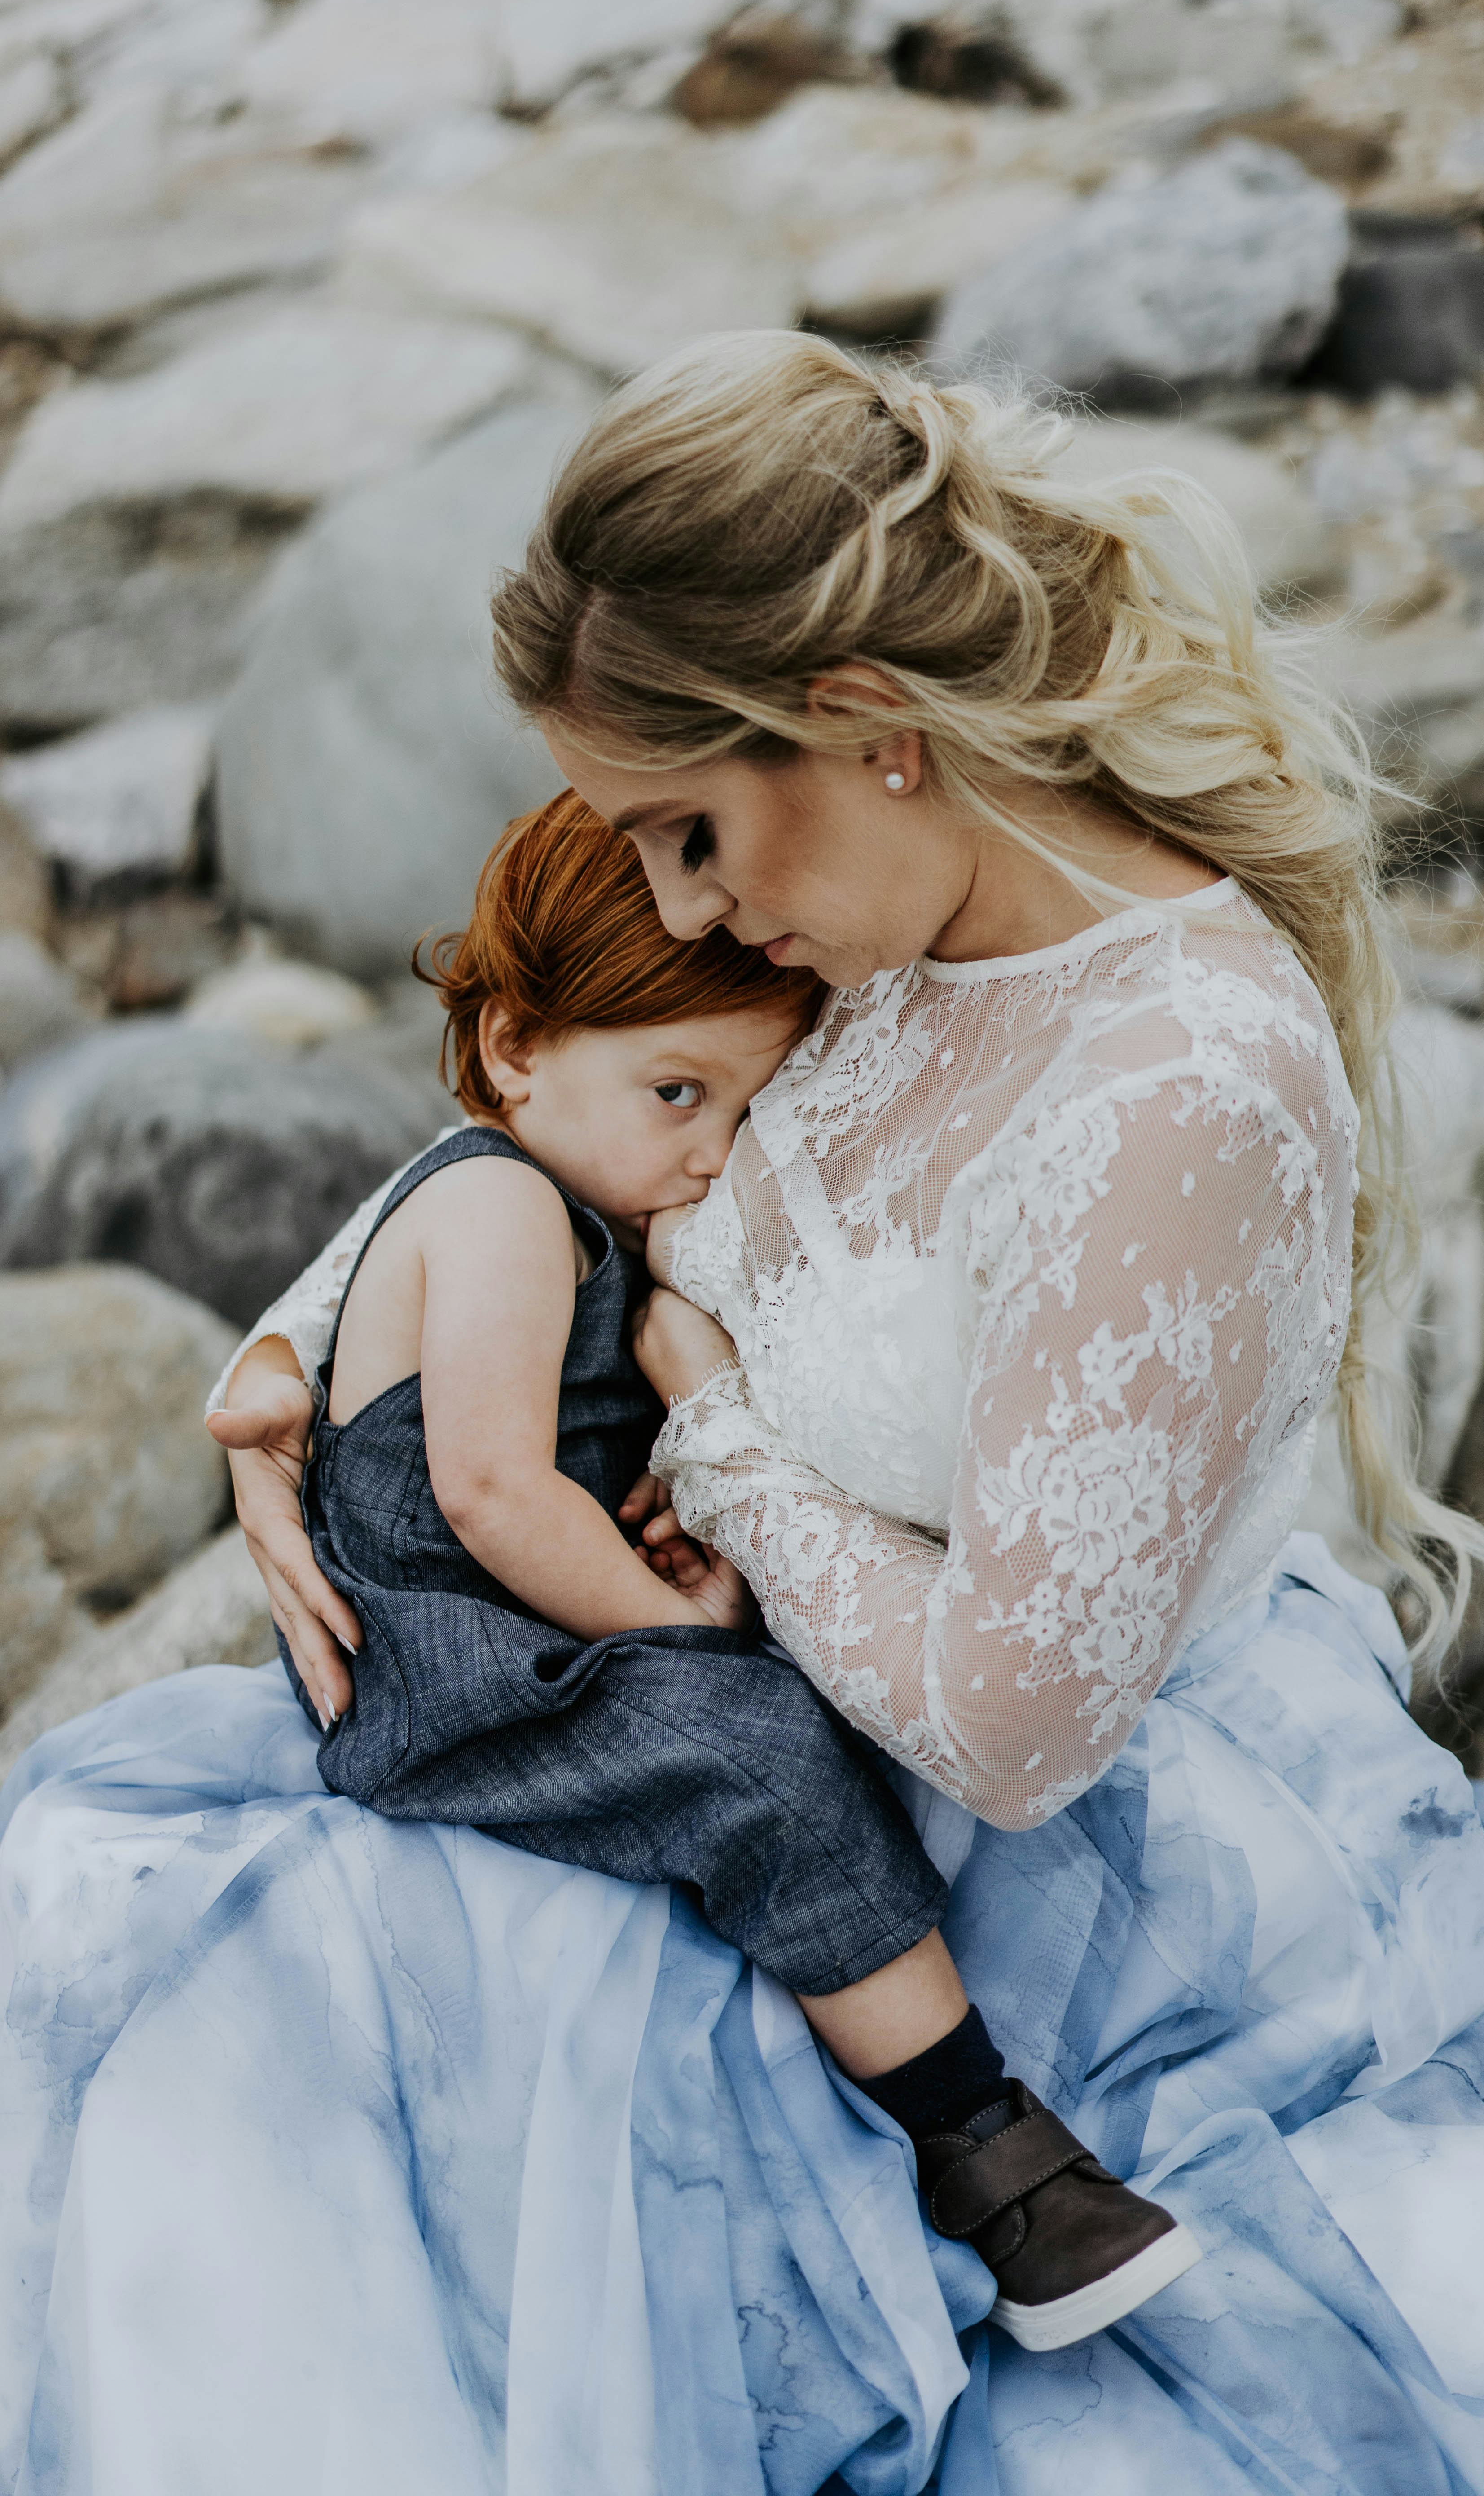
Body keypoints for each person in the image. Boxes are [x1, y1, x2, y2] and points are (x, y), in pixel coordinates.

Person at [4, 330, 1484, 2495]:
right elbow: (549, 1126)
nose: (682, 912)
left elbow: (1018, 1724)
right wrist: (285, 1369)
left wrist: (711, 1436)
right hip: (695, 1740)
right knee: (109, 1950)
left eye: (686, 835)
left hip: (1045, 1885)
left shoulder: (1171, 1084)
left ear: (866, 731)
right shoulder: (848, 941)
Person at [248, 784, 1195, 2350]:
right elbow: (487, 1490)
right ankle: (1000, 2169)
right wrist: (688, 1648)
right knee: (761, 1751)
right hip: (461, 1667)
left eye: (742, 1116)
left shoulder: (560, 1197)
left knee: (770, 1737)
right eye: (678, 1094)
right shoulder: (491, 1203)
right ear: (512, 1051)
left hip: (528, 1631)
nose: (708, 1157)